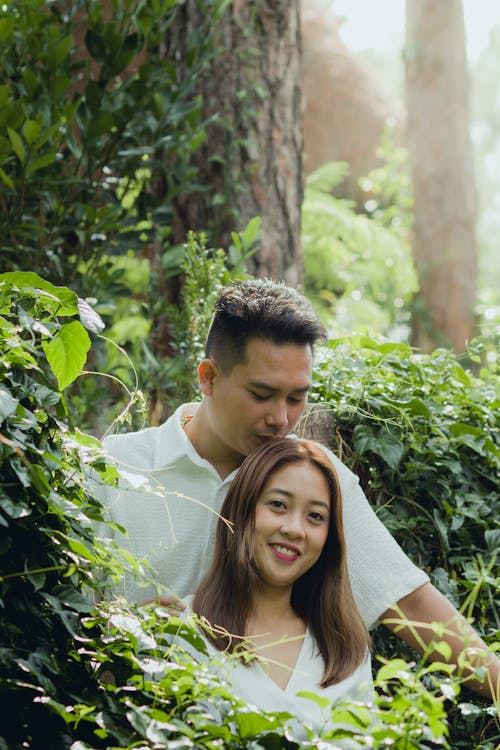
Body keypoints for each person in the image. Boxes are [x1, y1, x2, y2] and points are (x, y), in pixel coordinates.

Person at [96, 277, 499, 701]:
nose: (281, 419)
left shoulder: (315, 483)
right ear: (209, 378)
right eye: (262, 394)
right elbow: (59, 617)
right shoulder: (115, 468)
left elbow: (409, 604)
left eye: (296, 398)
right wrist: (119, 632)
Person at [185, 436, 373, 736]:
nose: (294, 529)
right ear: (242, 511)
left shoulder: (347, 650)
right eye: (277, 504)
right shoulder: (185, 630)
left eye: (315, 516)